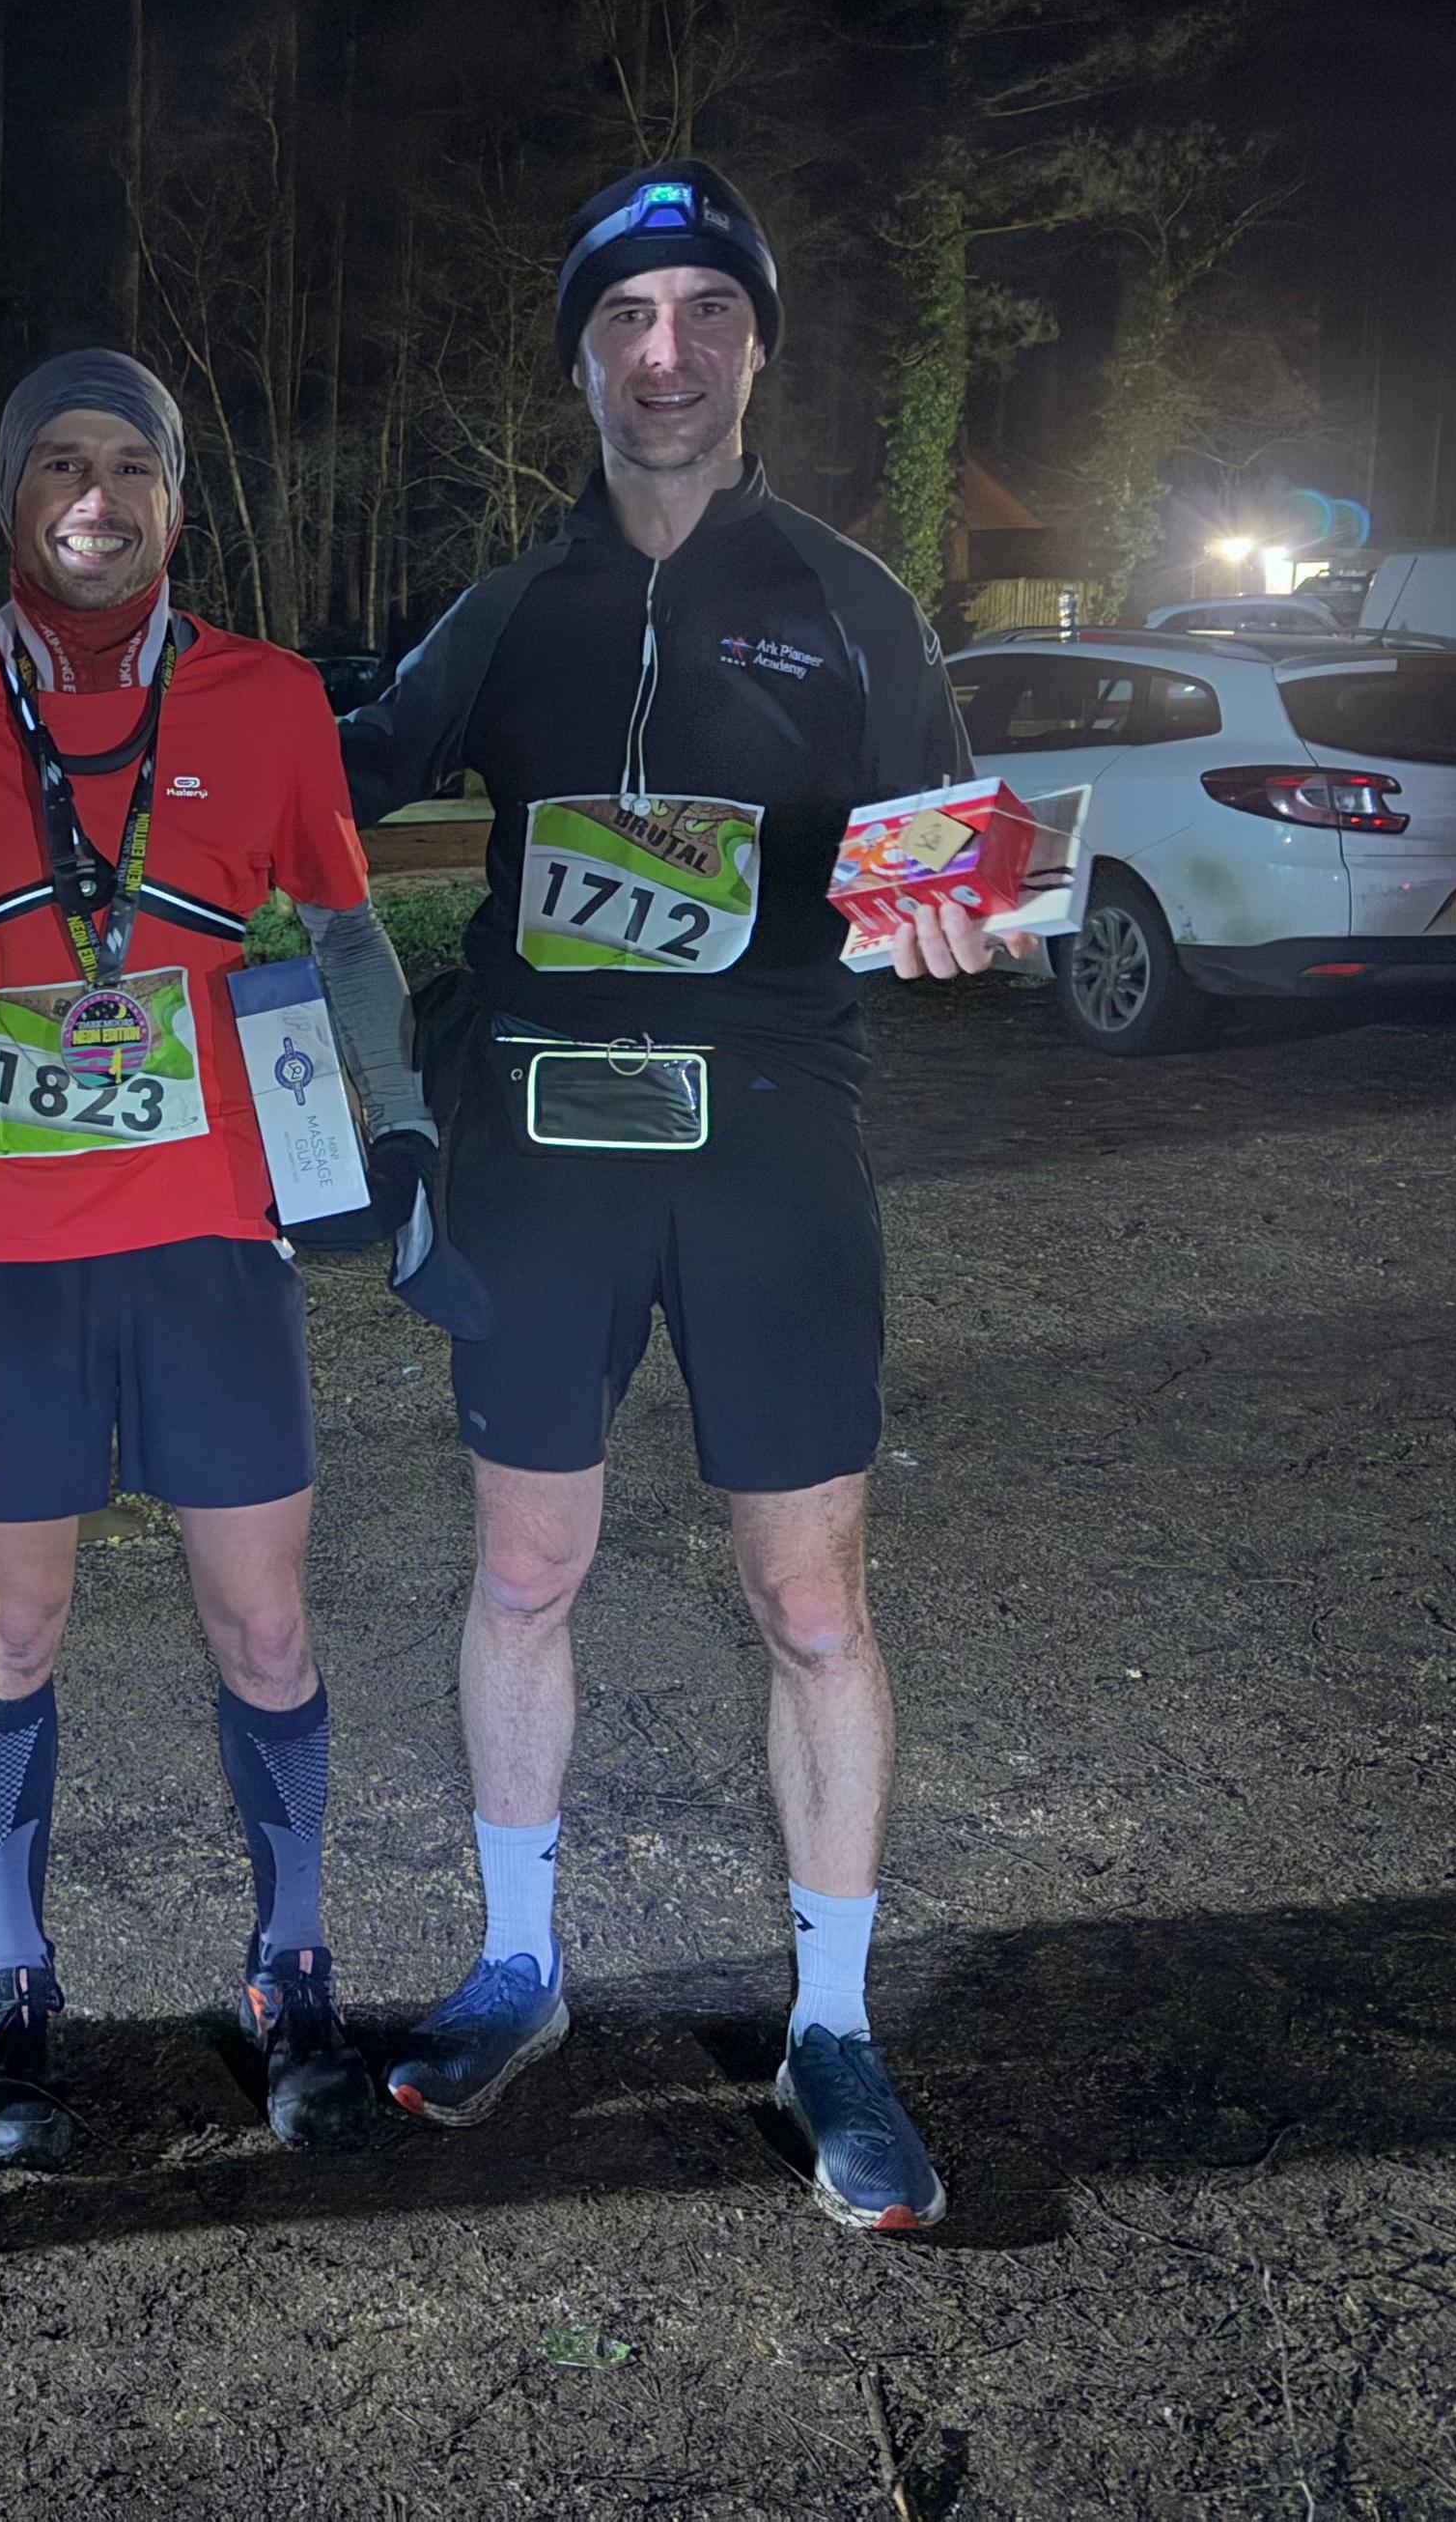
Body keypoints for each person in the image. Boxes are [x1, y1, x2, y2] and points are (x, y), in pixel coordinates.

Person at [338, 161, 1022, 2234]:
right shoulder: (508, 604)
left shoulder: (845, 598)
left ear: (751, 357)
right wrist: (114, 730)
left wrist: (959, 914)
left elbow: (959, 858)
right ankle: (517, 1968)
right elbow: (330, 770)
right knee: (523, 1573)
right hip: (542, 1156)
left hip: (770, 1165)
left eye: (705, 316)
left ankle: (831, 2027)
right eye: (628, 317)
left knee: (808, 1600)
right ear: (577, 361)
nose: (665, 353)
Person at [0, 350, 449, 2165]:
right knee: (18, 1617)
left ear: (176, 498)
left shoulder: (270, 697)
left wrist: (405, 1133)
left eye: (129, 464)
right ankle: (15, 1991)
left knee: (266, 1618)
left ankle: (290, 1969)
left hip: (218, 1238)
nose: (94, 494)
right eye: (57, 461)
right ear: (11, 496)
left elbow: (353, 945)